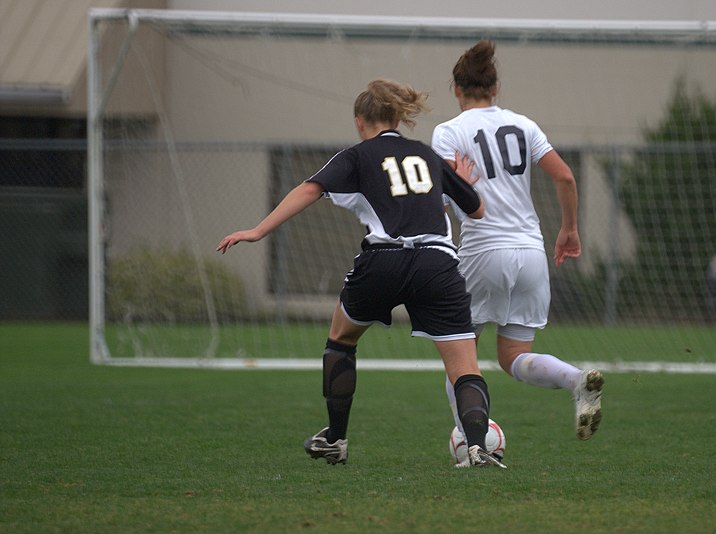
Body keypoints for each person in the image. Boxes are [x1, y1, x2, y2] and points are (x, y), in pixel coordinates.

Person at [217, 79, 505, 468]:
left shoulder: (356, 155)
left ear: (360, 121)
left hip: (382, 259)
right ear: (396, 117)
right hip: (437, 263)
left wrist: (258, 230)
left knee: (341, 339)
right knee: (463, 366)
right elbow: (477, 210)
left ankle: (335, 439)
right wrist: (459, 184)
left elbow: (309, 189)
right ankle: (478, 449)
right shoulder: (426, 154)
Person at [431, 40, 604, 441]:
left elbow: (440, 198)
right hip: (530, 251)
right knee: (513, 357)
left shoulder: (448, 132)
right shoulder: (523, 125)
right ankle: (576, 379)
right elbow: (564, 176)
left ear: (456, 90)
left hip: (481, 250)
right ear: (496, 89)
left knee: (460, 359)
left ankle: (476, 443)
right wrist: (570, 229)